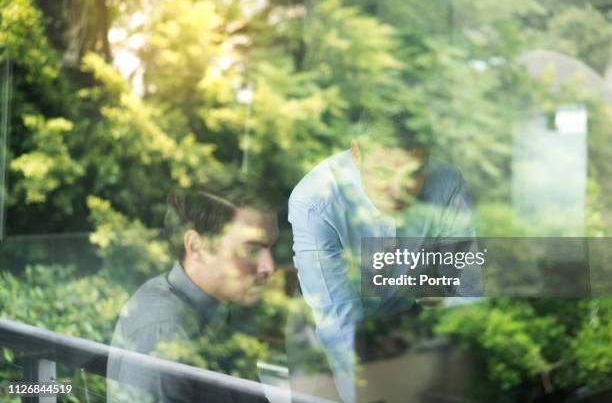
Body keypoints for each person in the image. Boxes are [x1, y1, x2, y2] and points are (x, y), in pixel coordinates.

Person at [288, 111, 483, 402]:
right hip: (324, 325)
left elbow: (468, 293)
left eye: (413, 173)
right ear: (356, 153)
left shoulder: (447, 184)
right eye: (382, 172)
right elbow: (338, 322)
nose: (397, 190)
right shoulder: (316, 201)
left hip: (400, 319)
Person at [107, 184, 279, 403]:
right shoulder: (164, 332)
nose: (270, 266)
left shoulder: (219, 310)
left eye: (271, 247)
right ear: (197, 247)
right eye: (252, 250)